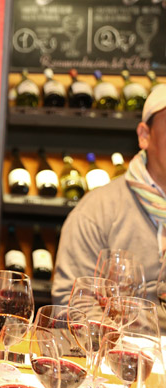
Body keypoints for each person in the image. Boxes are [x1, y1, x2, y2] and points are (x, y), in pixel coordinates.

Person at [52, 85, 166, 333]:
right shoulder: (96, 212)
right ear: (144, 135)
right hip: (120, 352)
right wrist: (133, 343)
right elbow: (72, 301)